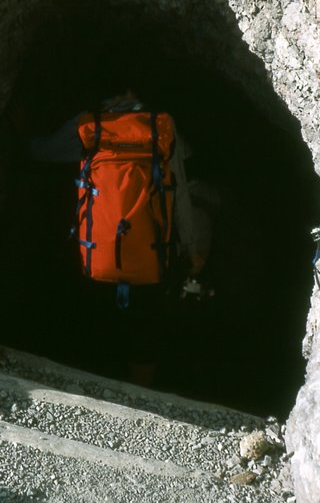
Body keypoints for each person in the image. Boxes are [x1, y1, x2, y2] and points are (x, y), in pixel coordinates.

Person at [30, 90, 207, 386]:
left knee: (95, 319)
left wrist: (20, 131)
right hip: (149, 250)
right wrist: (192, 248)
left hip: (95, 251)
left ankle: (89, 383)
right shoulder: (162, 127)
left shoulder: (90, 124)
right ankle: (141, 395)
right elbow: (179, 193)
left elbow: (42, 152)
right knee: (144, 327)